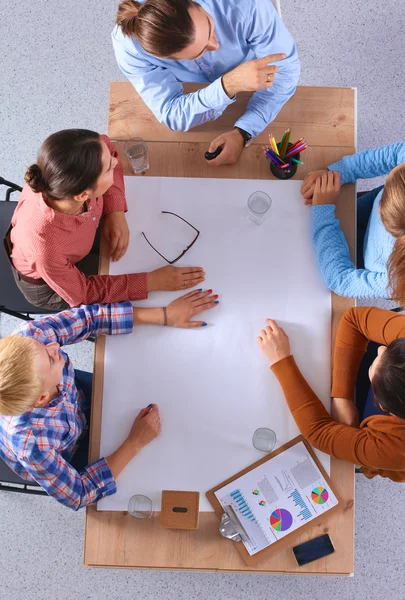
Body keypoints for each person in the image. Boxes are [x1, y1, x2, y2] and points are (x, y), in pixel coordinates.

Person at [0, 289, 219, 510]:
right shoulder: (32, 446)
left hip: (77, 396)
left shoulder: (30, 338)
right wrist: (135, 442)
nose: (54, 345)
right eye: (50, 359)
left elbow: (89, 319)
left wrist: (164, 314)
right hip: (70, 452)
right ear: (42, 397)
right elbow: (79, 493)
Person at [6, 129, 205, 310]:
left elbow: (109, 146)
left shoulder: (87, 152)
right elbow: (84, 294)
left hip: (75, 243)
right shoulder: (45, 247)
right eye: (109, 168)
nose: (117, 163)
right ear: (83, 195)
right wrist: (152, 281)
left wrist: (115, 211)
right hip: (51, 285)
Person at [257, 308, 405, 482]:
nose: (382, 348)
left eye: (380, 358)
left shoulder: (401, 451)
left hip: (396, 450)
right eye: (390, 348)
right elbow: (354, 319)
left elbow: (318, 433)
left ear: (382, 406)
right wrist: (342, 398)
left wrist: (281, 361)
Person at [112, 0, 300, 166]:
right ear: (167, 57)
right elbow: (171, 113)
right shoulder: (130, 47)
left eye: (210, 26)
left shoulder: (245, 4)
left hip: (254, 70)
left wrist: (245, 129)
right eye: (201, 52)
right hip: (200, 91)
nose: (216, 45)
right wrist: (229, 85)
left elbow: (286, 71)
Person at [301, 142, 405, 306]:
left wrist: (323, 209)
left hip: (365, 260)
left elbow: (341, 281)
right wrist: (336, 174)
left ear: (381, 210)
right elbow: (395, 154)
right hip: (373, 218)